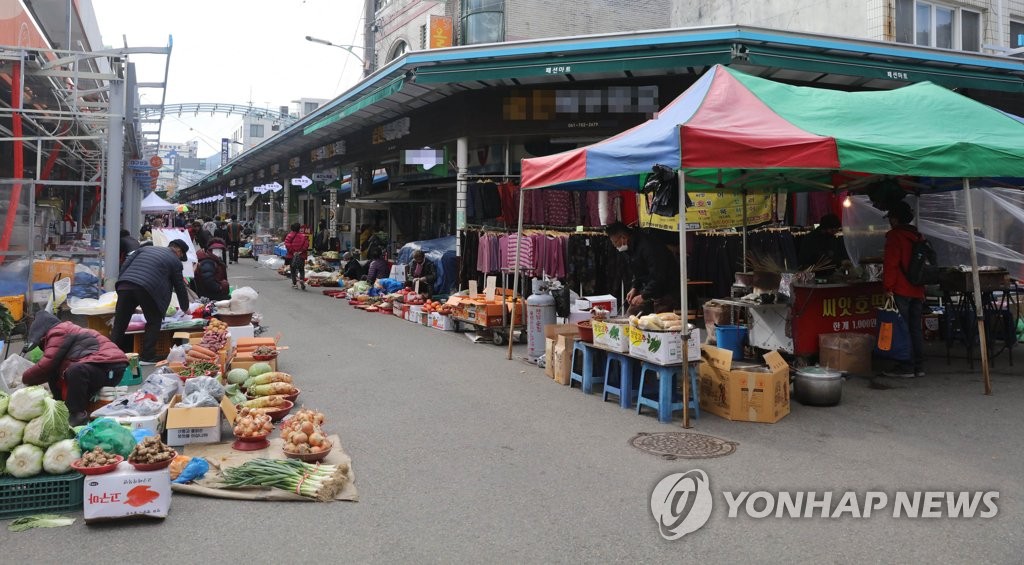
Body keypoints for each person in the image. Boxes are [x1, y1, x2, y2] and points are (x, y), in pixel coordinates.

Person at [21, 311, 128, 426]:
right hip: (100, 366)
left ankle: (77, 415)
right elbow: (50, 369)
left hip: (110, 368)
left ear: (42, 334)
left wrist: (24, 379)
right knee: (55, 373)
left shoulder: (58, 331)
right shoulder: (63, 330)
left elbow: (47, 364)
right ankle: (61, 409)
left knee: (76, 370)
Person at [110, 240, 191, 365]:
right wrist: (185, 307)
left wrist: (123, 282)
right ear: (179, 251)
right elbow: (179, 286)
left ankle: (110, 354)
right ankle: (147, 356)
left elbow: (126, 264)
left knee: (120, 322)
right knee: (154, 320)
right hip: (148, 288)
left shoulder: (145, 249)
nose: (180, 258)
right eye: (181, 256)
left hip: (125, 284)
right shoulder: (175, 261)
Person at [882, 200, 926, 379]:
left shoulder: (895, 237)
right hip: (917, 289)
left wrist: (887, 288)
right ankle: (919, 366)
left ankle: (906, 366)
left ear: (894, 219)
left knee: (902, 328)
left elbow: (891, 264)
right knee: (915, 328)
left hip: (901, 288)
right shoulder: (918, 236)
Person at [606, 222, 681, 316]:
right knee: (631, 316)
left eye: (615, 242)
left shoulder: (648, 246)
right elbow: (637, 271)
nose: (614, 245)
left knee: (660, 323)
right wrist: (634, 287)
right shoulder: (629, 247)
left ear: (623, 237)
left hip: (666, 288)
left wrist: (643, 295)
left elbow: (658, 275)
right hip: (649, 287)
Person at [284, 222, 309, 290]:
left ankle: (294, 283)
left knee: (293, 269)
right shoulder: (303, 236)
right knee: (301, 269)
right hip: (301, 255)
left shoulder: (289, 235)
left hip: (292, 256)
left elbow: (287, 244)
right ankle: (301, 280)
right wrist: (301, 251)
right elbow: (306, 244)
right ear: (299, 228)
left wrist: (293, 252)